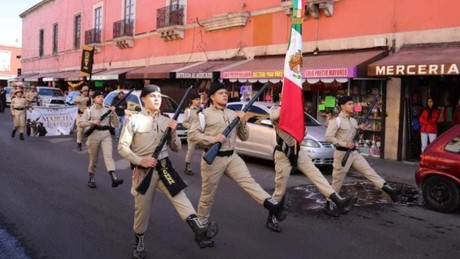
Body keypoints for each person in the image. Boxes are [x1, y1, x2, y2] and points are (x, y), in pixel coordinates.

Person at [118, 85, 218, 258]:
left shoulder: (166, 120)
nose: (157, 99)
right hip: (144, 170)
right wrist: (140, 160)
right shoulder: (134, 120)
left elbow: (176, 148)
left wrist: (173, 133)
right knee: (142, 210)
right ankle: (139, 240)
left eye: (159, 96)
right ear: (143, 99)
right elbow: (122, 147)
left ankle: (199, 229)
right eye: (152, 96)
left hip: (164, 166)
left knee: (180, 198)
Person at [188, 81, 290, 235]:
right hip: (213, 158)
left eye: (226, 93)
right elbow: (193, 135)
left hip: (232, 156)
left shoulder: (232, 113)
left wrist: (242, 122)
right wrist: (213, 139)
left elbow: (244, 136)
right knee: (207, 197)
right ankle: (201, 228)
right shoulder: (203, 115)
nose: (225, 95)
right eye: (221, 93)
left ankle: (273, 206)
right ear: (212, 97)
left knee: (249, 183)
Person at [267, 104, 357, 231]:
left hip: (298, 152)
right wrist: (289, 106)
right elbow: (274, 116)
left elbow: (302, 136)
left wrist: (300, 127)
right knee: (280, 189)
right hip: (283, 154)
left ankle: (338, 200)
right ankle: (271, 218)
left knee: (317, 175)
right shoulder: (277, 109)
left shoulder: (296, 113)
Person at [325, 96, 405, 207]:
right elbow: (328, 137)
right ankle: (329, 204)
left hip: (354, 153)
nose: (352, 106)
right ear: (342, 106)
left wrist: (360, 130)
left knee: (369, 172)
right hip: (342, 154)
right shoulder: (336, 120)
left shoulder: (353, 120)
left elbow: (355, 137)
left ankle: (391, 191)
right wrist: (345, 144)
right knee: (337, 182)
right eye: (349, 104)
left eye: (352, 103)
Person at [78, 90, 123, 189]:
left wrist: (114, 112)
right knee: (94, 160)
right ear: (93, 99)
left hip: (106, 134)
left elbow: (116, 124)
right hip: (93, 135)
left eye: (102, 96)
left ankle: (114, 178)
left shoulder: (107, 109)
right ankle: (91, 177)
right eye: (98, 96)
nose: (101, 98)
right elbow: (80, 123)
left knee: (108, 156)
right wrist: (92, 122)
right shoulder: (89, 110)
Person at [182, 91, 201, 175]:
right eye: (197, 99)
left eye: (199, 99)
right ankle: (188, 167)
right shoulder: (188, 111)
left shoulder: (201, 110)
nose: (198, 101)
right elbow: (184, 123)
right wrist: (192, 127)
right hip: (192, 134)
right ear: (192, 101)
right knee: (191, 151)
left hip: (201, 134)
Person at [74, 86, 91, 151]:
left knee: (90, 129)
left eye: (87, 91)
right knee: (80, 130)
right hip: (80, 115)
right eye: (85, 91)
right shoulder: (79, 97)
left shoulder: (89, 98)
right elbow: (75, 100)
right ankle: (79, 143)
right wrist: (84, 99)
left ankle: (90, 143)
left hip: (87, 115)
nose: (86, 92)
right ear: (82, 91)